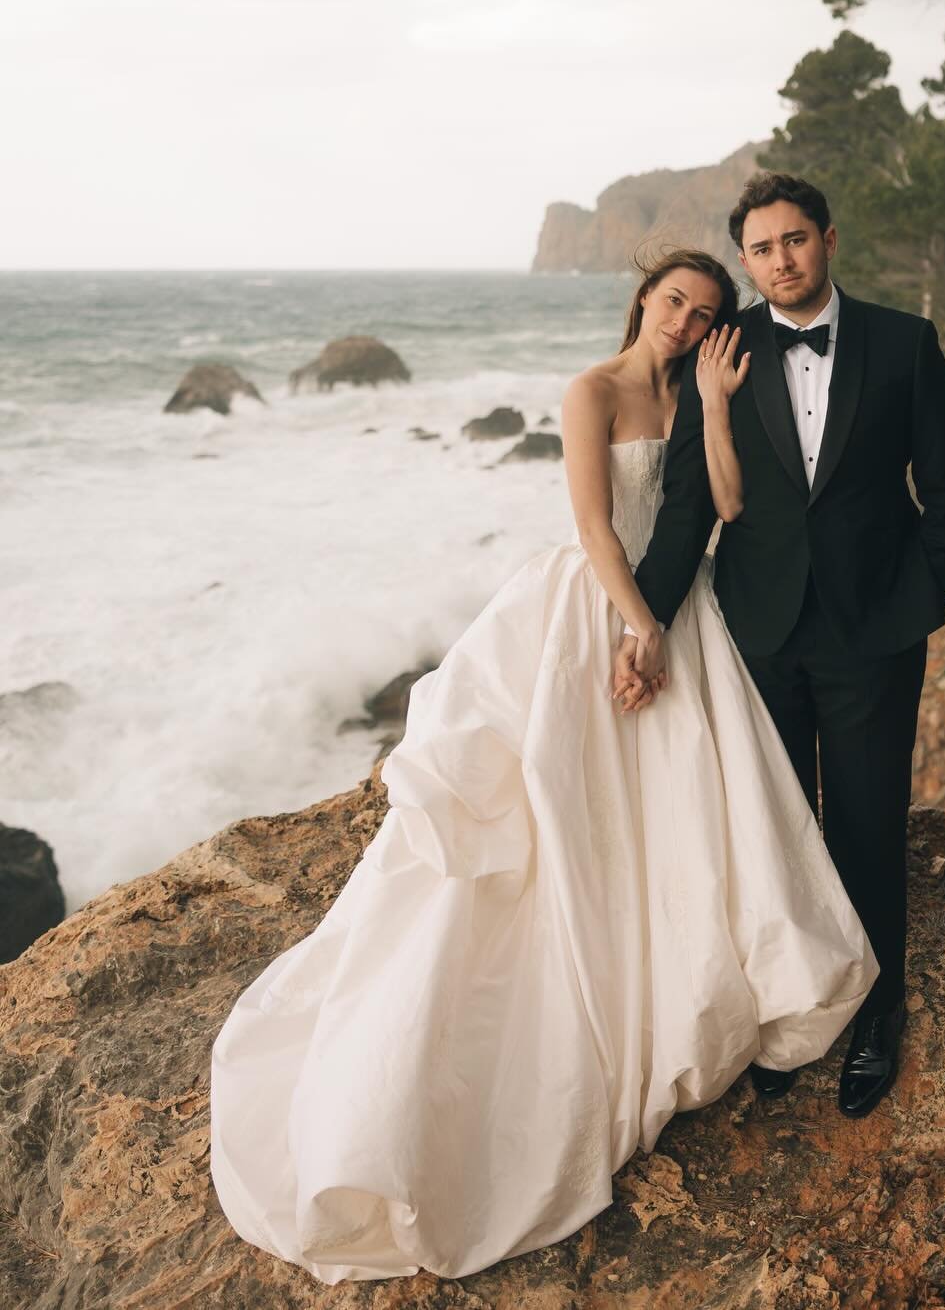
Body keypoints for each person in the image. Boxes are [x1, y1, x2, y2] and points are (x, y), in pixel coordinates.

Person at [208, 247, 875, 1284]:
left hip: (679, 618)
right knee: (561, 825)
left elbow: (726, 509)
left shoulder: (705, 385)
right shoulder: (589, 389)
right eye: (672, 304)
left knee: (697, 812)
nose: (685, 323)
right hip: (598, 607)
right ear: (643, 299)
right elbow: (594, 524)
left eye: (703, 314)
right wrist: (637, 627)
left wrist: (711, 405)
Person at [618, 173, 945, 1118]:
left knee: (864, 818)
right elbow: (691, 507)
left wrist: (928, 594)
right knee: (780, 829)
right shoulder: (721, 353)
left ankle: (878, 1008)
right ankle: (798, 1014)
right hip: (759, 629)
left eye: (796, 241)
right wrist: (642, 620)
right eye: (763, 249)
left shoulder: (903, 342)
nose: (782, 260)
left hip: (875, 627)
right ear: (747, 260)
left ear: (828, 239)